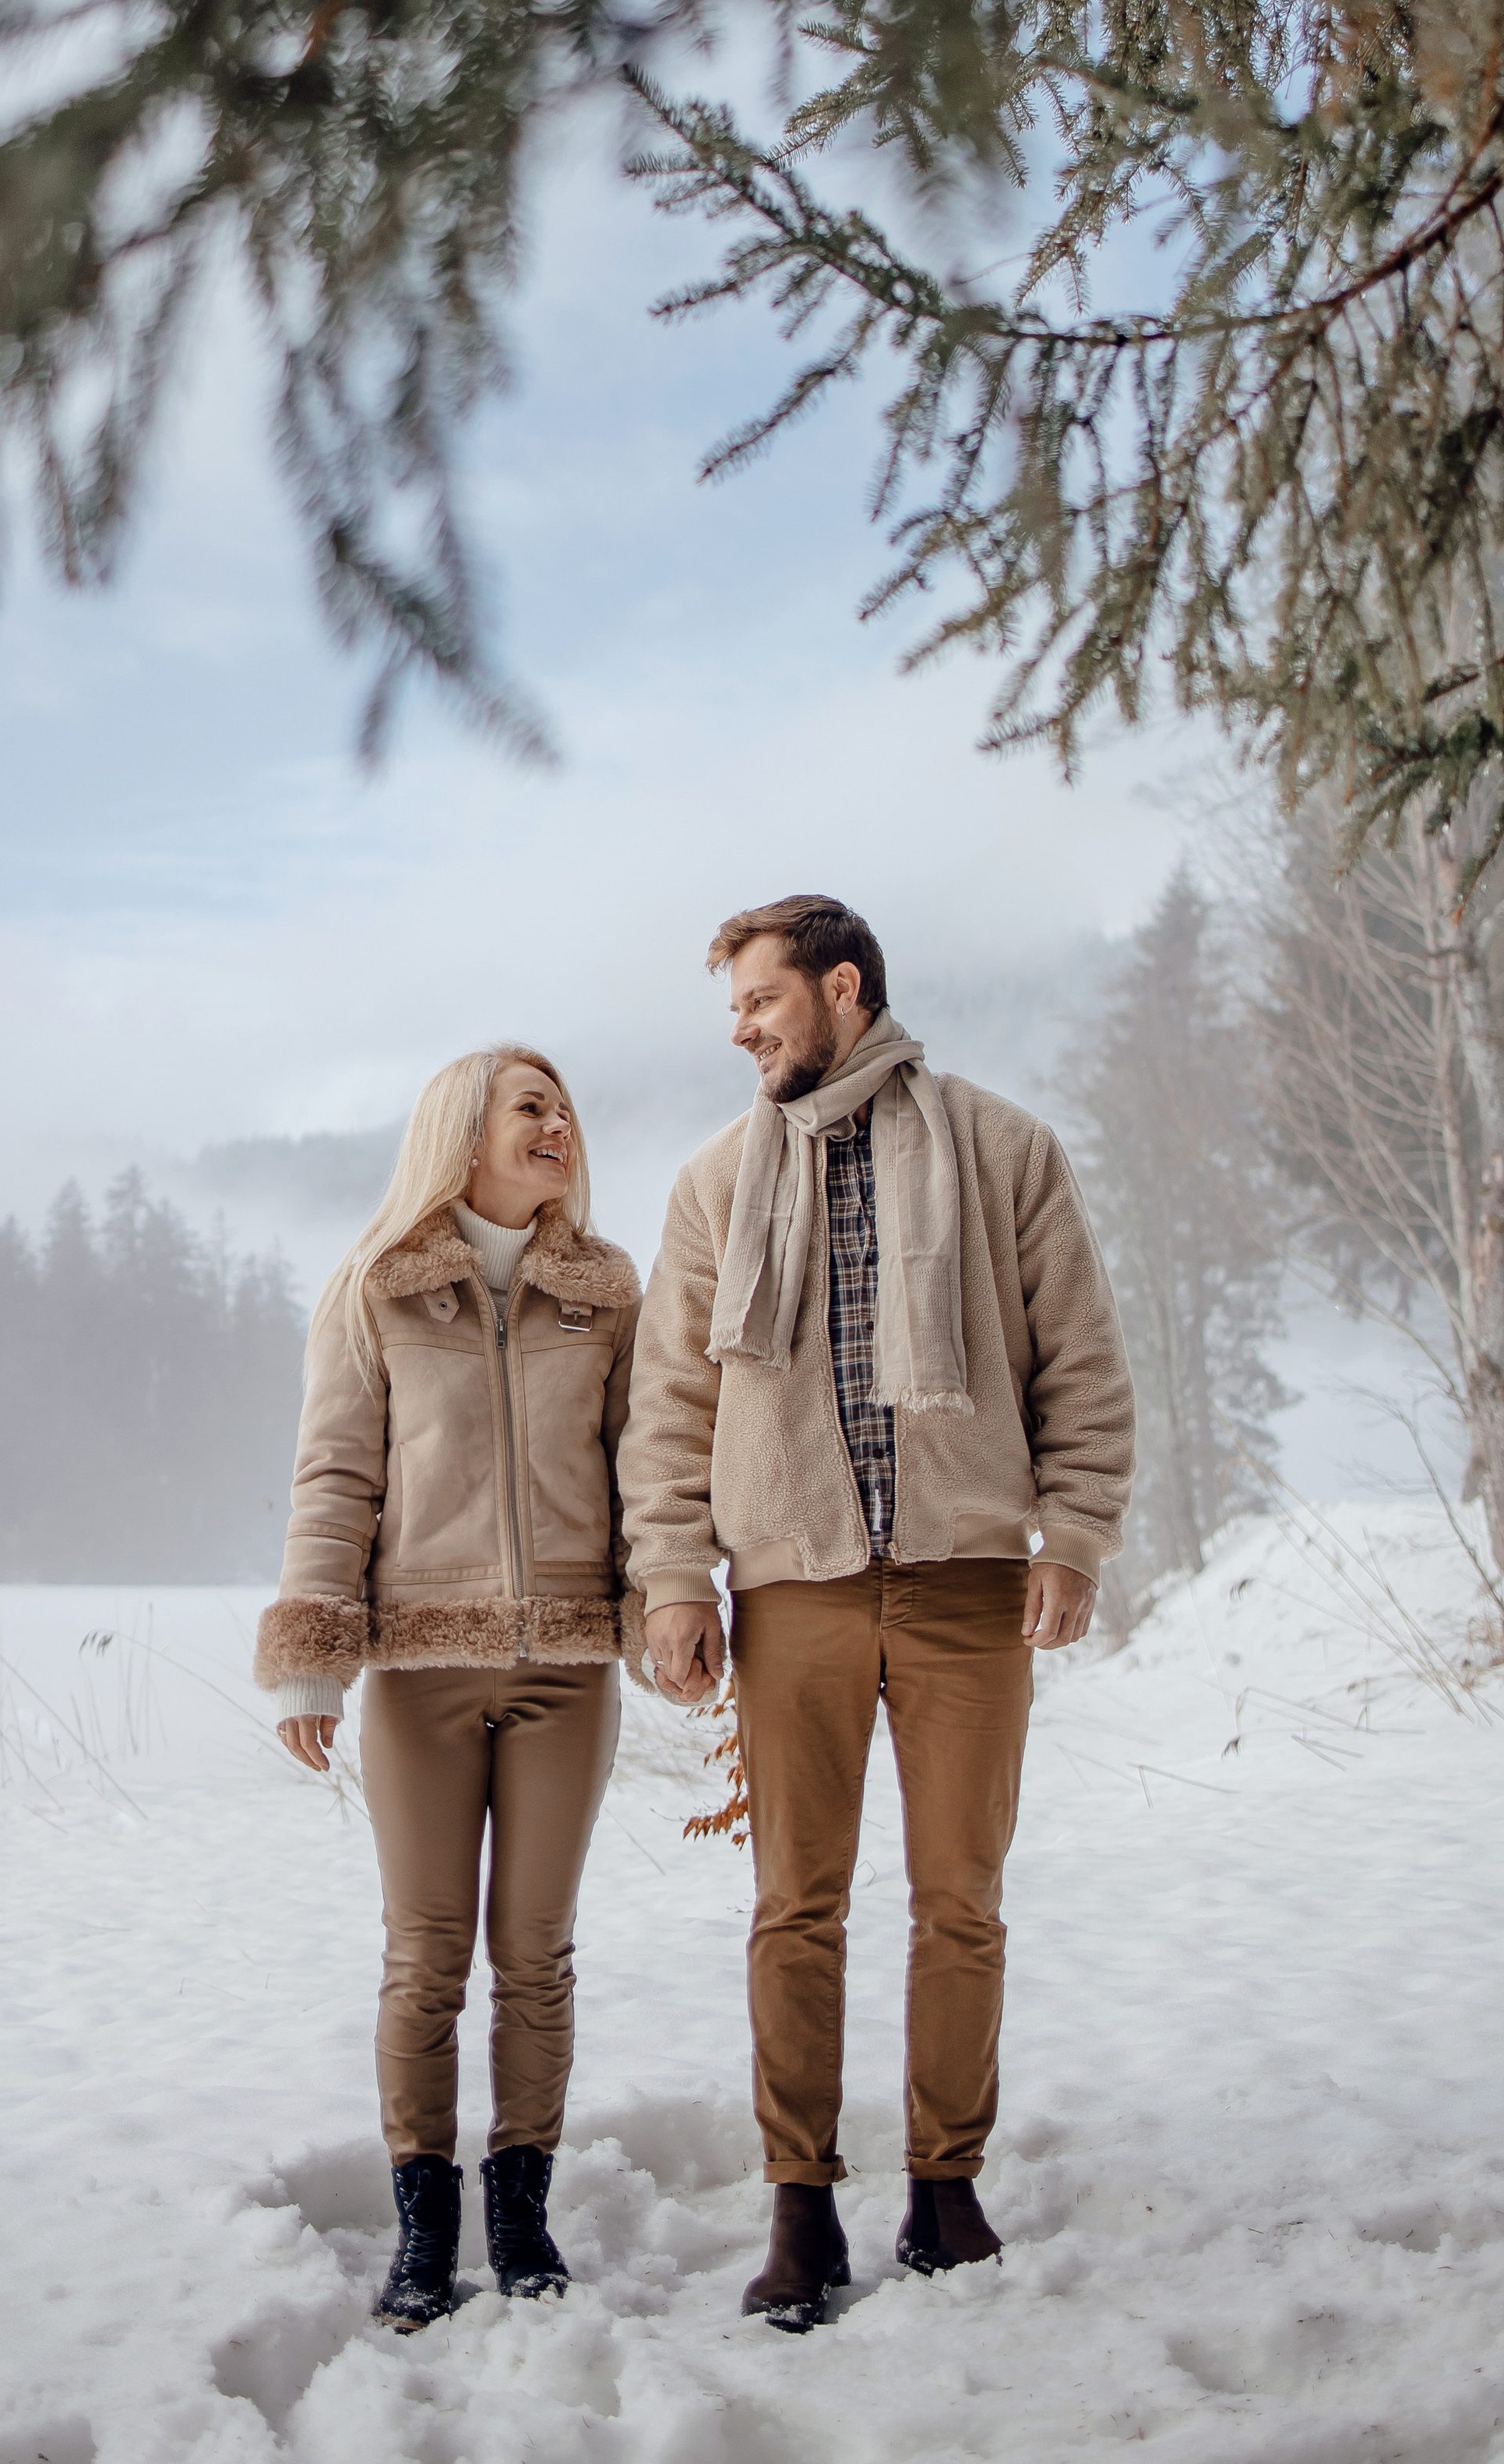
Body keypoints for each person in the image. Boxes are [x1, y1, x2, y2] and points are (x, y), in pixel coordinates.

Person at [619, 895, 1136, 2331]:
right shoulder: (718, 1183)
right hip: (792, 1589)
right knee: (798, 1911)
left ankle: (945, 2184)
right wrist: (674, 1579)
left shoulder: (1003, 1148)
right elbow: (669, 1410)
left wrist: (1075, 1536)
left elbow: (1082, 1366)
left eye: (760, 1002)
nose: (741, 1031)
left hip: (969, 1583)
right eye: (731, 1010)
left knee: (959, 1904)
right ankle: (800, 2203)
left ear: (843, 990)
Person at [253, 1046, 643, 2329]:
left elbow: (647, 1469)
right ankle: (426, 2230)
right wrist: (313, 1656)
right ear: (459, 1135)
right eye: (529, 1106)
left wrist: (667, 1611)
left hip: (569, 1673)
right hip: (417, 1672)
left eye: (565, 1107)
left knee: (537, 1954)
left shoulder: (605, 1291)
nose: (558, 1123)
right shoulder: (381, 1288)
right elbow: (336, 1482)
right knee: (426, 1958)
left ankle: (521, 2216)